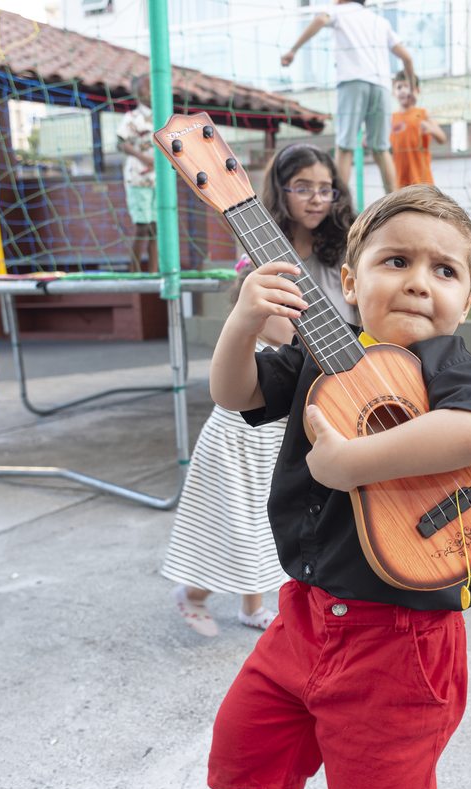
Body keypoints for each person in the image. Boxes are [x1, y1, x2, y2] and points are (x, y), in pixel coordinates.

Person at [205, 185, 471, 789]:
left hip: (402, 641)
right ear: (350, 282)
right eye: (395, 261)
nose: (418, 282)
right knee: (246, 757)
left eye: (445, 270)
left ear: (469, 300)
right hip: (303, 613)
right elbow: (233, 392)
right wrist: (244, 323)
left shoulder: (456, 371)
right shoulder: (319, 357)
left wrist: (354, 461)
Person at [161, 262, 294, 636]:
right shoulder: (244, 344)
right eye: (289, 311)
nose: (300, 321)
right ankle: (193, 594)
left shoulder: (293, 350)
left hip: (266, 457)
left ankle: (251, 609)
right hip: (233, 455)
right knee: (237, 537)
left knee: (262, 532)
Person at [281, 0, 418, 196]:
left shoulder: (337, 11)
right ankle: (394, 202)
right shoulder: (380, 21)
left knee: (345, 146)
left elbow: (320, 19)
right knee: (381, 149)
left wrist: (292, 50)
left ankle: (339, 205)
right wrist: (412, 88)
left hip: (352, 82)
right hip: (381, 86)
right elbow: (407, 58)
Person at [260, 142, 356, 323]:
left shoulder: (346, 244)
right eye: (303, 189)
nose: (317, 199)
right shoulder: (264, 249)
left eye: (325, 190)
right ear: (280, 192)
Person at [117, 74, 158, 273]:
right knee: (143, 226)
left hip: (158, 180)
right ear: (137, 93)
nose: (150, 92)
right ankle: (134, 270)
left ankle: (154, 270)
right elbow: (121, 142)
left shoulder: (162, 117)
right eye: (146, 88)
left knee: (156, 228)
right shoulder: (131, 118)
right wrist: (143, 158)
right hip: (138, 177)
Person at [390, 70, 446, 188]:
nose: (403, 90)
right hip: (400, 183)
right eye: (399, 87)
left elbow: (442, 138)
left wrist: (432, 128)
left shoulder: (423, 113)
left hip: (422, 181)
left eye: (408, 87)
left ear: (417, 91)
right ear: (393, 92)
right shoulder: (391, 118)